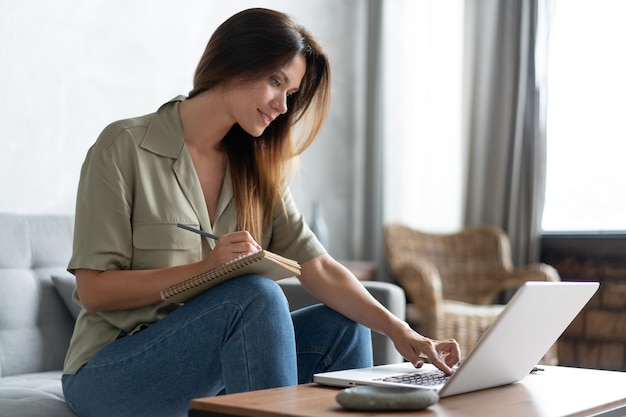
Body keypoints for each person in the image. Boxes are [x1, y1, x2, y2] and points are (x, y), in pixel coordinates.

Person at [61, 8, 460, 417]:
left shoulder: (257, 172)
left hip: (208, 365)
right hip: (110, 371)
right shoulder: (124, 147)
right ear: (234, 61)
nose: (283, 105)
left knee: (342, 326)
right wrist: (209, 269)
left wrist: (402, 332)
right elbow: (95, 291)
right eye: (276, 81)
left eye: (290, 93)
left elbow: (318, 268)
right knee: (255, 296)